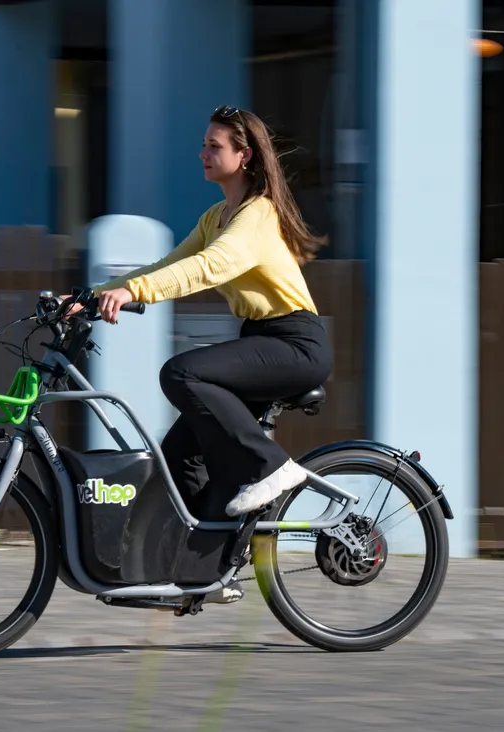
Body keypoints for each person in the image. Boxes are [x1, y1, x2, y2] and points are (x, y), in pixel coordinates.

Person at [76, 105, 333, 604]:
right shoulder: (217, 216)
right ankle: (194, 578)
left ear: (244, 156)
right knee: (178, 459)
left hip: (294, 344)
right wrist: (87, 298)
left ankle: (269, 466)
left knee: (183, 373)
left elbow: (209, 268)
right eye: (204, 144)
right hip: (260, 339)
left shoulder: (257, 215)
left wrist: (135, 295)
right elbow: (169, 264)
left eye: (214, 146)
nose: (203, 154)